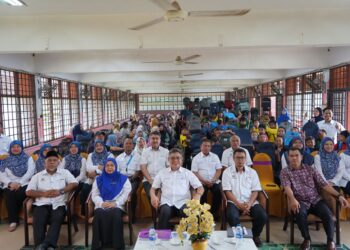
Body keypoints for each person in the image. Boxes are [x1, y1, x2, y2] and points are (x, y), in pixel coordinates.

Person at [280, 147, 348, 250]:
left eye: (296, 155)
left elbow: (324, 185)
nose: (294, 158)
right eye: (291, 156)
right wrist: (292, 199)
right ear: (288, 158)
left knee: (327, 213)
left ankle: (330, 241)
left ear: (301, 157)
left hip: (315, 199)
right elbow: (287, 187)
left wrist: (339, 196)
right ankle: (307, 239)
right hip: (300, 200)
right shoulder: (285, 172)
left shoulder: (310, 169)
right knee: (299, 213)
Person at [26, 150, 78, 250]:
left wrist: (61, 191)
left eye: (54, 160)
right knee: (39, 219)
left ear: (58, 162)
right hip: (41, 204)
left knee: (57, 218)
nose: (52, 162)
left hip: (59, 204)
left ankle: (45, 245)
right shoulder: (37, 176)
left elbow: (74, 183)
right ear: (44, 162)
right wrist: (43, 193)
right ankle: (42, 246)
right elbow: (28, 192)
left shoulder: (64, 173)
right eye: (49, 160)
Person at [222, 148, 268, 247]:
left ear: (246, 159)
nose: (240, 160)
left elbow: (256, 190)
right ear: (233, 159)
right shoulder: (227, 172)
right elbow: (227, 192)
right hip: (234, 202)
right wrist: (239, 205)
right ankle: (240, 237)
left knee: (262, 216)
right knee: (232, 216)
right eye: (238, 158)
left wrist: (249, 204)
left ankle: (255, 235)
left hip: (250, 202)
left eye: (242, 158)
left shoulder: (252, 172)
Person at [150, 148, 203, 229]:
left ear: (182, 160)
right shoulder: (162, 173)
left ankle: (188, 238)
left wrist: (198, 195)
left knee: (188, 213)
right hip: (166, 202)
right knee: (164, 212)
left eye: (178, 158)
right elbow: (153, 189)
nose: (175, 160)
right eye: (172, 158)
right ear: (168, 160)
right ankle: (163, 238)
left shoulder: (187, 173)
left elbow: (200, 187)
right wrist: (153, 196)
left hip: (183, 202)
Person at [91, 158, 131, 250]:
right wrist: (101, 203)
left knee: (116, 214)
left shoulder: (123, 178)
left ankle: (117, 245)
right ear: (104, 167)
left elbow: (126, 194)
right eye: (107, 165)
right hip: (102, 204)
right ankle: (99, 245)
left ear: (115, 166)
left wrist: (115, 203)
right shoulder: (98, 179)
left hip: (117, 205)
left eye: (112, 165)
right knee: (99, 214)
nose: (109, 168)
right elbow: (94, 194)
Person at [0, 140, 35, 232]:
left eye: (18, 147)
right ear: (10, 148)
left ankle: (22, 214)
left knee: (20, 193)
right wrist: (10, 183)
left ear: (21, 148)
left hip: (24, 182)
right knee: (10, 195)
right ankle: (13, 221)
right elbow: (1, 174)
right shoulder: (5, 159)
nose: (15, 149)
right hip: (9, 183)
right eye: (13, 147)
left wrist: (20, 183)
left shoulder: (28, 158)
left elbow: (30, 171)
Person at [80, 140, 113, 215]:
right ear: (94, 147)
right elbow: (88, 168)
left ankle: (101, 211)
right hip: (91, 178)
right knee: (85, 189)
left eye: (100, 145)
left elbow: (110, 167)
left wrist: (96, 172)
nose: (99, 147)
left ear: (103, 146)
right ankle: (85, 212)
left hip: (106, 178)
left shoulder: (109, 155)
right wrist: (98, 167)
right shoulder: (91, 155)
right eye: (97, 146)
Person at [191, 139, 222, 220]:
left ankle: (214, 213)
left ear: (210, 147)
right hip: (201, 182)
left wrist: (213, 180)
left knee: (218, 190)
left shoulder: (215, 156)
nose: (206, 147)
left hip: (214, 181)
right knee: (202, 193)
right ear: (201, 147)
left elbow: (219, 170)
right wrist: (204, 181)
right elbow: (194, 172)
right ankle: (203, 214)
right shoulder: (196, 158)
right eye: (205, 145)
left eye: (208, 146)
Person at [116, 137, 141, 223]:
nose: (128, 145)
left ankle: (132, 216)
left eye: (130, 143)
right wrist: (123, 180)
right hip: (121, 179)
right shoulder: (118, 158)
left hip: (133, 179)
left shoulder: (137, 156)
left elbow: (138, 171)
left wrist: (131, 179)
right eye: (126, 143)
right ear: (123, 145)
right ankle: (120, 214)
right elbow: (117, 172)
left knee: (132, 193)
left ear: (133, 145)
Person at [140, 131, 169, 199]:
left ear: (160, 140)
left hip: (163, 180)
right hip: (149, 180)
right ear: (150, 140)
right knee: (152, 196)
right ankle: (155, 209)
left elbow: (168, 167)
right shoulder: (145, 152)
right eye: (153, 138)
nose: (155, 140)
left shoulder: (166, 151)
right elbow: (143, 167)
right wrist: (150, 180)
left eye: (157, 138)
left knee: (165, 196)